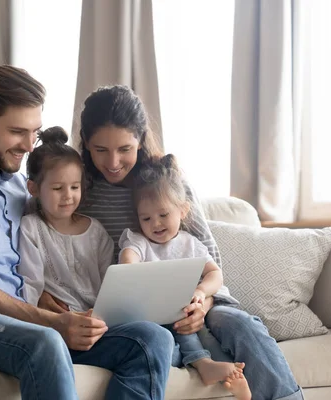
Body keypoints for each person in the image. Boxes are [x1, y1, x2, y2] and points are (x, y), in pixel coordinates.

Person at [0, 66, 174, 400]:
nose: (29, 145)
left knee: (150, 339)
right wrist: (48, 321)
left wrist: (61, 310)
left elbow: (38, 248)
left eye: (34, 131)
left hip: (14, 325)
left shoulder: (18, 188)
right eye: (17, 131)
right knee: (45, 341)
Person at [39, 85, 304, 400]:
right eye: (100, 150)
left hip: (198, 300)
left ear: (140, 140)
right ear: (85, 144)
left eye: (125, 149)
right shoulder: (75, 188)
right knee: (158, 337)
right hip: (131, 311)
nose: (112, 162)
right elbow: (41, 232)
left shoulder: (167, 183)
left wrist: (201, 305)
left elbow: (208, 258)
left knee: (241, 326)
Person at [119, 154, 251, 399]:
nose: (155, 224)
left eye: (163, 215)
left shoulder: (190, 244)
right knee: (173, 341)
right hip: (151, 321)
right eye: (145, 218)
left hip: (185, 315)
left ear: (183, 211)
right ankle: (204, 365)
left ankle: (232, 378)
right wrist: (130, 266)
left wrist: (201, 292)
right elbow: (129, 260)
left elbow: (215, 273)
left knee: (205, 336)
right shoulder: (137, 241)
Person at [18, 126, 114, 311]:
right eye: (57, 188)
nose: (68, 196)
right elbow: (30, 285)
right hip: (57, 321)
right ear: (33, 188)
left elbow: (111, 286)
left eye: (75, 187)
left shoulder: (96, 232)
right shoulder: (31, 228)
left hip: (100, 320)